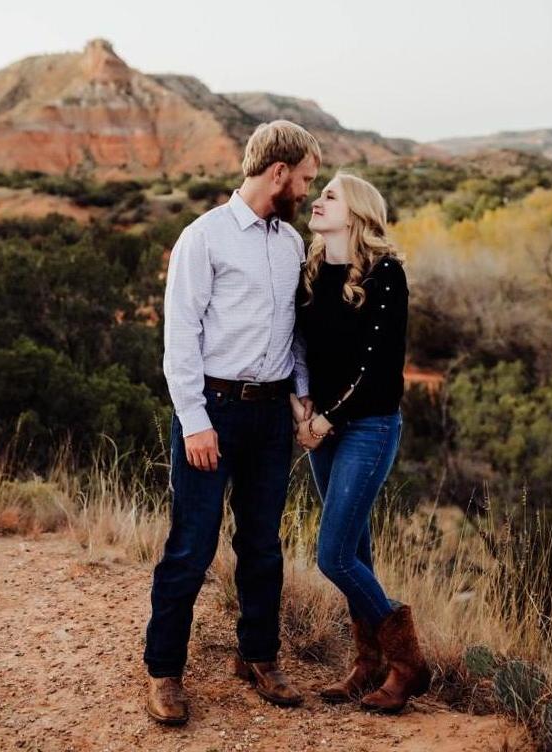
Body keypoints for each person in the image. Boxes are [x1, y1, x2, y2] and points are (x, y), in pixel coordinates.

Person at [144, 120, 320, 725]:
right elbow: (180, 338)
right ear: (278, 172)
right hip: (212, 412)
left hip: (270, 417)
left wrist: (301, 395)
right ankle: (164, 671)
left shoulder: (290, 243)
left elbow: (295, 333)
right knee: (191, 546)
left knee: (262, 544)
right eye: (305, 178)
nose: (307, 190)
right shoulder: (204, 237)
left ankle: (259, 656)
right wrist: (194, 421)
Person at [293, 172, 432, 714]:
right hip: (321, 425)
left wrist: (327, 420)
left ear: (356, 213)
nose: (317, 200)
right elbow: (298, 346)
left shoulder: (386, 274)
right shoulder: (310, 271)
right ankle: (368, 664)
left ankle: (407, 664)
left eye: (329, 195)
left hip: (368, 427)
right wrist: (302, 403)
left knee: (333, 556)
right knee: (356, 552)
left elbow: (378, 371)